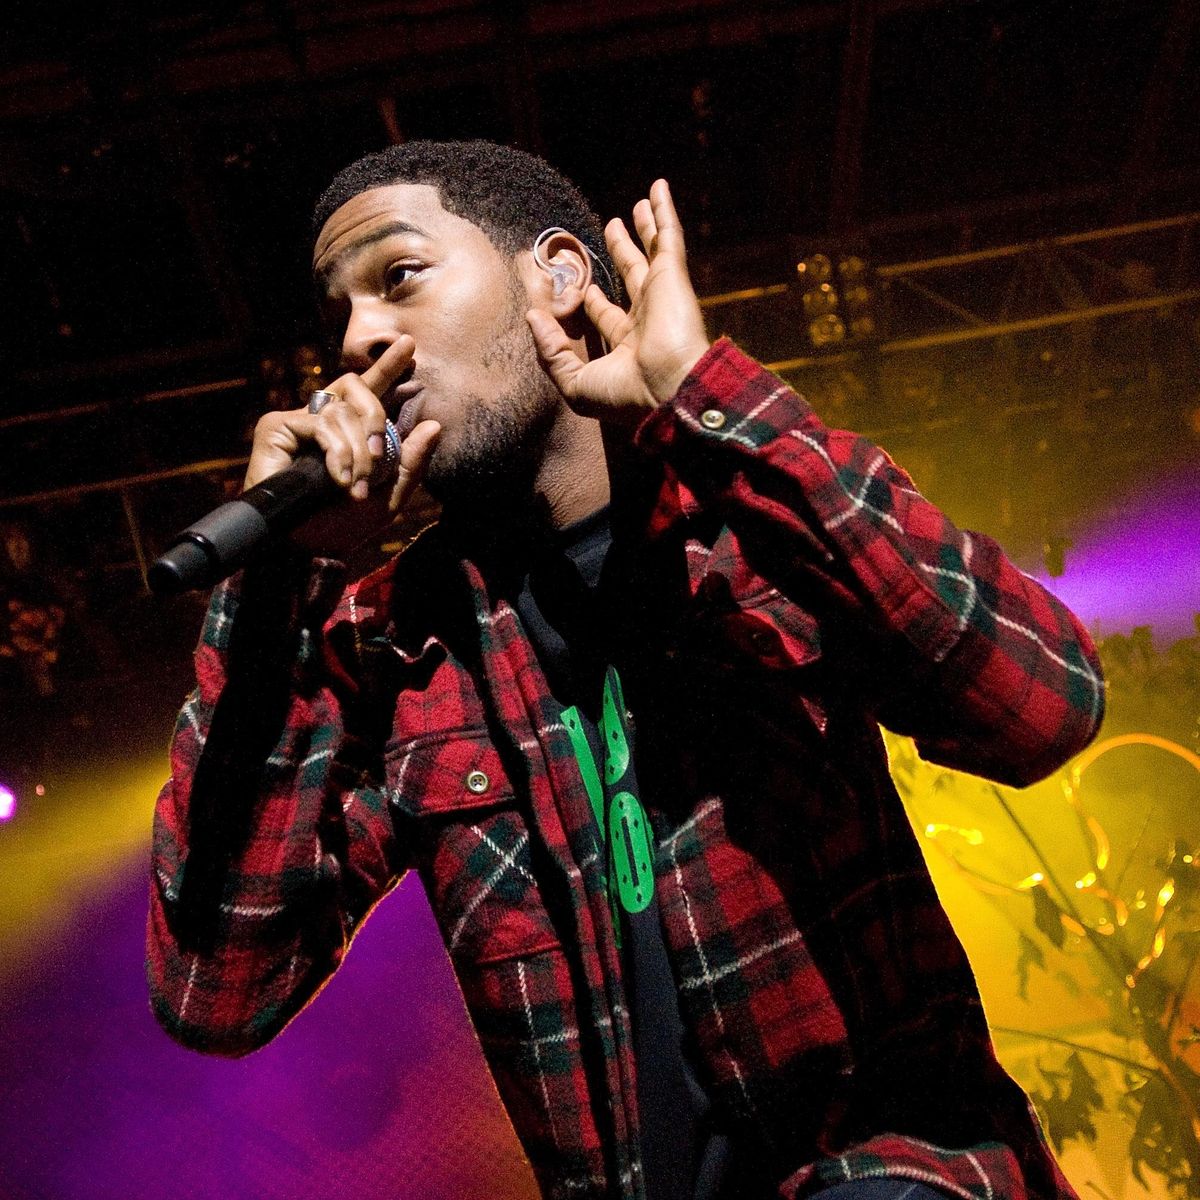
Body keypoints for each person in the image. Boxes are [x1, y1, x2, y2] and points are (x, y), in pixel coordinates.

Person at [146, 140, 1105, 1200]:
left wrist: (706, 398)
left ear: (556, 276)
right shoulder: (397, 644)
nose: (357, 339)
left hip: (891, 1170)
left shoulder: (749, 523)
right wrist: (280, 585)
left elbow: (1044, 707)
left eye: (399, 276)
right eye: (340, 313)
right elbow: (216, 989)